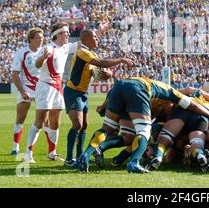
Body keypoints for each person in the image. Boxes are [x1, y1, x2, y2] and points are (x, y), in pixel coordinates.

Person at [76, 77, 209, 173]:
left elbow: (119, 88)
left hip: (118, 87)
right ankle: (133, 163)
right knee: (144, 132)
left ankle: (86, 155)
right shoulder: (170, 92)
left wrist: (103, 105)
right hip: (138, 90)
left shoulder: (158, 95)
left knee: (120, 134)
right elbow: (191, 105)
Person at [23, 22, 108, 163]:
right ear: (58, 34)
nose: (68, 34)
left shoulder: (66, 47)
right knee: (40, 121)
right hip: (45, 87)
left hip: (57, 87)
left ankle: (52, 152)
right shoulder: (48, 48)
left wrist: (99, 31)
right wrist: (43, 57)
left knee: (55, 123)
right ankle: (28, 153)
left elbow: (86, 41)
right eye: (66, 32)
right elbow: (37, 65)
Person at [63, 29, 135, 166]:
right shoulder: (82, 52)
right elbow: (101, 63)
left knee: (84, 126)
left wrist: (104, 76)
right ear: (86, 38)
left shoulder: (90, 54)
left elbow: (96, 74)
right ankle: (68, 159)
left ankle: (79, 156)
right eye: (95, 37)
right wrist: (121, 60)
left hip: (83, 93)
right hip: (73, 92)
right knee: (77, 124)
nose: (97, 39)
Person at [10, 28, 51, 155]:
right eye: (38, 38)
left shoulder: (47, 51)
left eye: (42, 37)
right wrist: (22, 91)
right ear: (31, 39)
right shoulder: (21, 53)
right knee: (20, 118)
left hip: (42, 89)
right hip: (26, 88)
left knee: (46, 120)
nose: (41, 40)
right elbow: (15, 75)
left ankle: (51, 150)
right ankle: (15, 147)